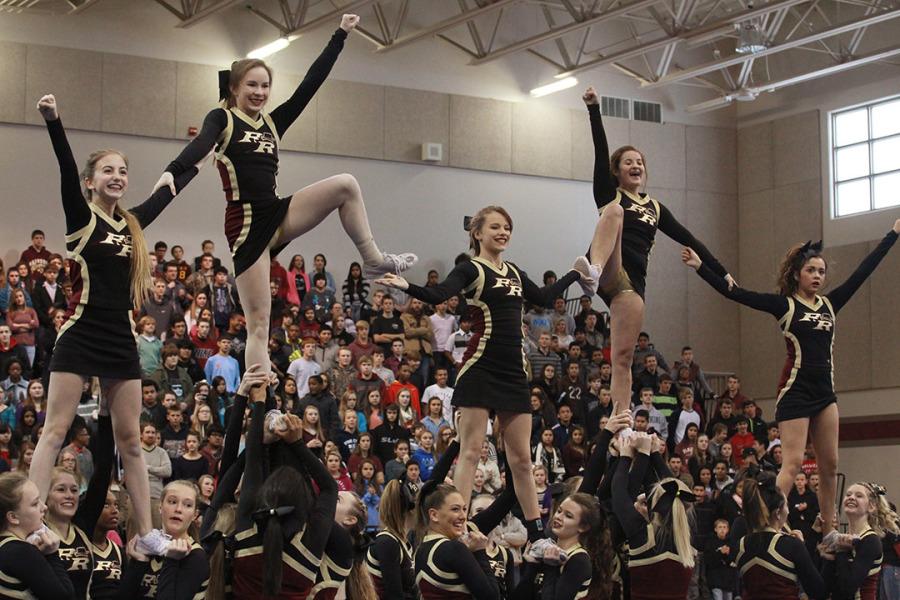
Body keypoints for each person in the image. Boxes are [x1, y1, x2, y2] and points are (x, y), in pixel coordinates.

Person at [155, 14, 415, 392]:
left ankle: (374, 260)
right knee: (260, 323)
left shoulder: (273, 124)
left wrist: (339, 35)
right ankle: (259, 399)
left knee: (346, 184)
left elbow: (311, 85)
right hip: (245, 224)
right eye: (252, 86)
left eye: (265, 86)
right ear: (235, 87)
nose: (259, 93)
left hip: (276, 212)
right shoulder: (223, 118)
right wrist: (173, 169)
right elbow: (201, 144)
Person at [33, 94, 202, 556]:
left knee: (130, 439)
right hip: (82, 330)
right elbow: (66, 171)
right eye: (107, 170)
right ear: (92, 182)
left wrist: (197, 158)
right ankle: (32, 523)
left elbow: (165, 194)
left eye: (122, 171)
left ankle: (146, 533)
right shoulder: (81, 219)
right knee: (55, 429)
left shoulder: (132, 227)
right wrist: (54, 121)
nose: (117, 177)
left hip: (119, 337)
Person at [377, 205, 589, 544]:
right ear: (477, 233)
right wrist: (407, 286)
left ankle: (537, 536)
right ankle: (455, 528)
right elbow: (438, 294)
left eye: (507, 227)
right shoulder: (471, 269)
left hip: (514, 372)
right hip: (481, 367)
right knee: (471, 450)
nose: (503, 232)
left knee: (520, 457)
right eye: (495, 227)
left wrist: (576, 273)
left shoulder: (515, 272)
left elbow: (546, 297)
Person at [682, 219, 900, 547]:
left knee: (830, 464)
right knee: (794, 462)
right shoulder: (784, 305)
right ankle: (762, 522)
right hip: (795, 391)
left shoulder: (830, 304)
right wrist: (701, 268)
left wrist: (893, 233)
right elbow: (737, 294)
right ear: (798, 273)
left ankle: (828, 531)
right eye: (811, 270)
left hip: (825, 392)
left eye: (821, 271)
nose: (817, 276)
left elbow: (863, 271)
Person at [577, 86, 733, 428]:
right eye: (627, 162)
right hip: (607, 267)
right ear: (616, 172)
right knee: (614, 213)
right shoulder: (609, 194)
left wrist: (720, 271)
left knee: (623, 357)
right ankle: (592, 271)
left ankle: (620, 418)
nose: (635, 165)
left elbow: (688, 238)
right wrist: (594, 109)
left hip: (631, 285)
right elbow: (600, 151)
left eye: (639, 162)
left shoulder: (656, 208)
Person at [613, 432, 696, 599]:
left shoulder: (643, 535)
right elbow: (672, 490)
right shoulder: (688, 536)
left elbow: (619, 492)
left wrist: (627, 455)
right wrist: (654, 453)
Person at [736, 472, 827, 599]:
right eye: (787, 505)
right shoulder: (790, 544)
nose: (788, 511)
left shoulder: (741, 544)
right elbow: (818, 591)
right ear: (778, 512)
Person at [119, 480, 210, 599]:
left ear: (195, 515)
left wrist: (171, 560)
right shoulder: (148, 546)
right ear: (160, 507)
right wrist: (139, 563)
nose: (178, 509)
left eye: (187, 505)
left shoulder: (195, 556)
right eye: (172, 502)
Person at [0, 472, 75, 599]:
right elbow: (65, 597)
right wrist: (52, 554)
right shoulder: (20, 551)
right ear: (13, 517)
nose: (44, 507)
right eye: (35, 504)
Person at [822, 482, 898, 600]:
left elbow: (848, 588)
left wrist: (841, 552)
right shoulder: (844, 538)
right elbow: (825, 588)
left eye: (859, 496)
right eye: (848, 495)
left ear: (871, 506)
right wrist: (828, 560)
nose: (851, 497)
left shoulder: (871, 540)